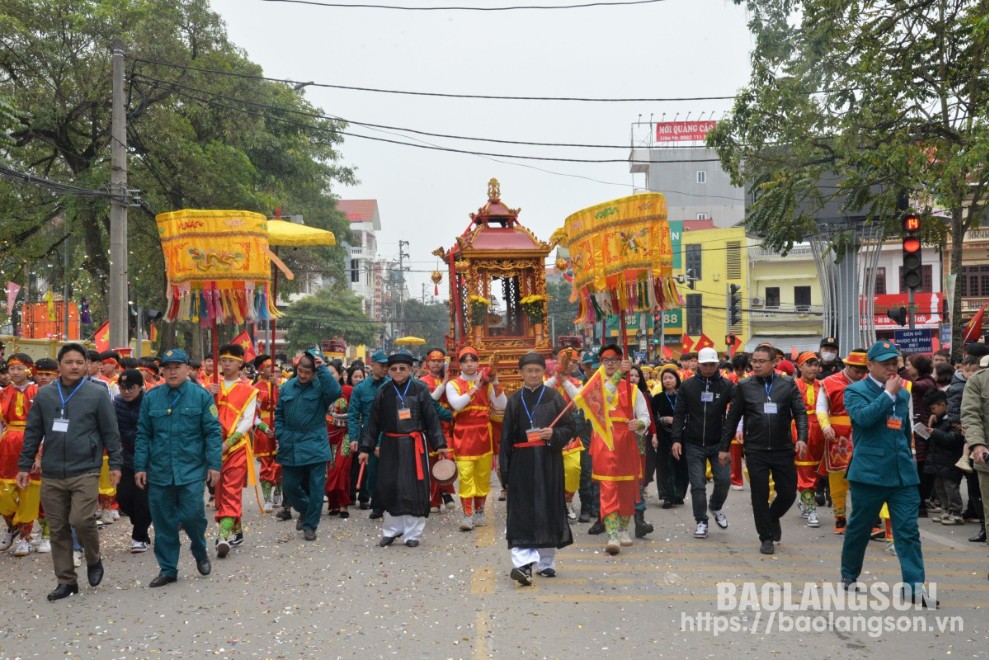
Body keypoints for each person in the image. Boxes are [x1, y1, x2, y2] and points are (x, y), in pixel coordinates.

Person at [18, 343, 122, 601]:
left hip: (85, 469)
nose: (74, 366)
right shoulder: (44, 396)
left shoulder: (97, 393)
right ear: (59, 365)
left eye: (79, 362)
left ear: (86, 365)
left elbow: (111, 431)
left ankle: (93, 558)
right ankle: (66, 581)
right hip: (52, 472)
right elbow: (33, 432)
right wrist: (25, 464)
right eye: (69, 362)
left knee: (81, 519)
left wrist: (117, 464)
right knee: (58, 527)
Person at [841, 341, 936, 607]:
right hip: (869, 474)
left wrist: (909, 458)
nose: (891, 368)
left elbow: (904, 430)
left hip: (902, 474)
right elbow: (863, 419)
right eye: (885, 364)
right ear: (869, 365)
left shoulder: (904, 394)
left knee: (908, 531)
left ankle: (914, 587)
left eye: (895, 363)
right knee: (860, 528)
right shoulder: (855, 391)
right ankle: (849, 574)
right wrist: (887, 395)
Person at [134, 348, 220, 588]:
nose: (172, 372)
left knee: (193, 516)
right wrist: (140, 466)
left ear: (187, 369)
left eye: (177, 367)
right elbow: (143, 434)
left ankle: (199, 550)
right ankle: (168, 569)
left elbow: (213, 432)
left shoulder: (201, 396)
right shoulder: (151, 397)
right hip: (160, 470)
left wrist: (214, 464)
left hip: (191, 469)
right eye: (167, 368)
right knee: (163, 522)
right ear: (162, 370)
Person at [721, 344, 807, 555]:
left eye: (761, 361)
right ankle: (766, 537)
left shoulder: (787, 384)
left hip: (783, 448)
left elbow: (800, 413)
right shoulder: (743, 386)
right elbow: (732, 419)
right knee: (759, 495)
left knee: (788, 493)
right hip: (756, 449)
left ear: (774, 363)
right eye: (754, 361)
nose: (756, 365)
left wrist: (802, 438)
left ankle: (771, 516)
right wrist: (724, 448)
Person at [358, 351, 448, 547]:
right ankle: (392, 530)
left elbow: (432, 420)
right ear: (388, 371)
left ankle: (413, 534)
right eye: (394, 368)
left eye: (402, 368)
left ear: (411, 369)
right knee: (390, 486)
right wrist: (365, 448)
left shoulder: (420, 389)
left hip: (415, 444)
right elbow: (372, 423)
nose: (398, 372)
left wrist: (440, 445)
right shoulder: (383, 391)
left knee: (414, 488)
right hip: (390, 444)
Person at [500, 353, 575, 586]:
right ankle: (522, 564)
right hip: (521, 462)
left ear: (543, 372)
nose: (532, 375)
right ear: (521, 372)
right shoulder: (514, 400)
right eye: (528, 370)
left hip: (547, 461)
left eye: (536, 370)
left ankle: (546, 563)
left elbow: (570, 428)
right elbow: (505, 439)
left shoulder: (554, 398)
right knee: (522, 511)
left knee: (547, 507)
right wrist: (505, 470)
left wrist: (554, 434)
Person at [587, 345, 650, 554]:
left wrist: (639, 424)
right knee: (608, 487)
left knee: (626, 486)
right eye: (607, 360)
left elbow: (644, 416)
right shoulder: (595, 385)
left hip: (626, 441)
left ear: (622, 360)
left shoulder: (633, 389)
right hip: (605, 440)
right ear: (601, 363)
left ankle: (623, 528)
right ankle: (612, 533)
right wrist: (617, 377)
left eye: (615, 359)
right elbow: (605, 397)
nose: (611, 363)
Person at [275, 350, 342, 541]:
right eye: (300, 371)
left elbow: (336, 392)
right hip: (291, 441)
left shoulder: (321, 386)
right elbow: (279, 413)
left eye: (307, 372)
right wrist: (280, 432)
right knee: (289, 485)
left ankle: (310, 525)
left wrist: (322, 370)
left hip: (315, 441)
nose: (303, 375)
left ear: (314, 372)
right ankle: (305, 510)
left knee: (316, 487)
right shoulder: (287, 387)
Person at [672, 347, 734, 539]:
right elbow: (679, 414)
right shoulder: (688, 386)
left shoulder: (727, 386)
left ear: (717, 365)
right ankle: (701, 520)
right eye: (705, 364)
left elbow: (735, 413)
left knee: (724, 480)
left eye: (712, 364)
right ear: (698, 363)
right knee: (697, 484)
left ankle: (715, 507)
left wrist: (730, 438)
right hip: (693, 442)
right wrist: (676, 440)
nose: (708, 368)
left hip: (719, 443)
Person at [446, 346, 507, 531]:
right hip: (463, 434)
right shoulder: (453, 384)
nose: (470, 364)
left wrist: (495, 382)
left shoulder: (487, 384)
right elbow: (456, 403)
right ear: (460, 364)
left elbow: (503, 404)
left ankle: (479, 511)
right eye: (465, 361)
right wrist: (475, 388)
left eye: (473, 360)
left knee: (482, 476)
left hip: (483, 434)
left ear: (478, 362)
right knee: (465, 476)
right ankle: (467, 515)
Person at [207, 343, 258, 556]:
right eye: (223, 360)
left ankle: (223, 535)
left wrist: (228, 443)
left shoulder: (249, 390)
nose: (225, 364)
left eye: (230, 361)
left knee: (231, 490)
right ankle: (236, 529)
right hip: (213, 446)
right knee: (219, 494)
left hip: (235, 447)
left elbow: (248, 421)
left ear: (240, 364)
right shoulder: (211, 386)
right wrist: (209, 396)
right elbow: (205, 415)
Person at [815, 349, 869, 534]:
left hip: (863, 433)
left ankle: (865, 519)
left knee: (863, 478)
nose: (861, 373)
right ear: (847, 365)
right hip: (838, 436)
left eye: (864, 369)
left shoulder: (869, 382)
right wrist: (825, 426)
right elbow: (821, 408)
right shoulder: (829, 382)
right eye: (857, 369)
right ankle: (840, 518)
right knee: (838, 479)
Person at [0, 353, 39, 557]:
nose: (14, 372)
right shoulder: (3, 393)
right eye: (11, 368)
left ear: (29, 369)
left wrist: (40, 453)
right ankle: (12, 526)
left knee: (29, 493)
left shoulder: (39, 391)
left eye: (19, 368)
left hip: (31, 443)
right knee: (4, 492)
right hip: (6, 446)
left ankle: (25, 537)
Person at [113, 369, 153, 553]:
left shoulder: (150, 403)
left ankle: (139, 537)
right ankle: (141, 524)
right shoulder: (116, 404)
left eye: (131, 387)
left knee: (142, 499)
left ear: (140, 387)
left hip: (148, 458)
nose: (127, 391)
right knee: (124, 499)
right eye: (123, 387)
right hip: (125, 457)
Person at [347, 351, 390, 518]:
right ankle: (376, 503)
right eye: (382, 365)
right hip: (369, 435)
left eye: (387, 365)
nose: (385, 368)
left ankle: (388, 503)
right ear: (372, 365)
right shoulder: (360, 389)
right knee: (371, 473)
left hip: (389, 434)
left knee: (390, 472)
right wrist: (354, 438)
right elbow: (353, 415)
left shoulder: (392, 385)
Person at [419, 349, 456, 512]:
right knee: (433, 462)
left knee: (448, 458)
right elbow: (430, 401)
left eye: (440, 360)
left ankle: (446, 492)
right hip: (431, 425)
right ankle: (435, 499)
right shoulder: (423, 381)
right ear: (428, 362)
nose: (436, 363)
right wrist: (444, 382)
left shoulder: (452, 381)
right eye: (433, 360)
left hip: (449, 424)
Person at [922, 389, 966, 525]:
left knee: (950, 488)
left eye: (933, 408)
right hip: (938, 461)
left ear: (942, 404)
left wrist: (935, 433)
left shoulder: (953, 420)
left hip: (950, 461)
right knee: (940, 488)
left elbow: (953, 439)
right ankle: (947, 510)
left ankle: (956, 512)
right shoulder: (937, 419)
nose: (932, 411)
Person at [793, 352, 825, 528]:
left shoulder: (823, 386)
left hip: (821, 431)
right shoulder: (793, 385)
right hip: (801, 430)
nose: (813, 368)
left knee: (818, 470)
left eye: (815, 364)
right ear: (799, 367)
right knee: (805, 470)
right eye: (809, 364)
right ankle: (811, 507)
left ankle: (805, 500)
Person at [651, 365, 688, 509]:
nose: (667, 380)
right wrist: (662, 419)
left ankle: (678, 494)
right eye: (664, 378)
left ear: (676, 380)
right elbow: (652, 417)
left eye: (670, 377)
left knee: (681, 465)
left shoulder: (684, 397)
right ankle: (666, 496)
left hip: (683, 434)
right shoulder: (658, 398)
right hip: (663, 434)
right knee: (664, 466)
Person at [905, 353, 937, 516]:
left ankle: (920, 504)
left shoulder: (926, 383)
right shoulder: (920, 381)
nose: (906, 368)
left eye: (909, 365)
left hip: (922, 430)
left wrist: (900, 369)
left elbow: (912, 386)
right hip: (914, 429)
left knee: (920, 467)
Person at [252, 354, 281, 513]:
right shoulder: (256, 388)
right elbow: (252, 414)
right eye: (269, 366)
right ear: (261, 369)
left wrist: (277, 386)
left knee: (281, 462)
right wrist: (263, 427)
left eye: (273, 366)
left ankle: (278, 493)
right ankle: (267, 499)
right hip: (264, 429)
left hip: (279, 426)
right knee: (266, 464)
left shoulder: (279, 385)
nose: (273, 369)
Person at [325, 362, 354, 517]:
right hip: (328, 436)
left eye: (333, 373)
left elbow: (355, 412)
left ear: (340, 374)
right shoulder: (323, 392)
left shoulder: (348, 391)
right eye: (327, 373)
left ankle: (344, 504)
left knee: (342, 469)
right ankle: (334, 504)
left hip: (346, 435)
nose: (330, 376)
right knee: (331, 469)